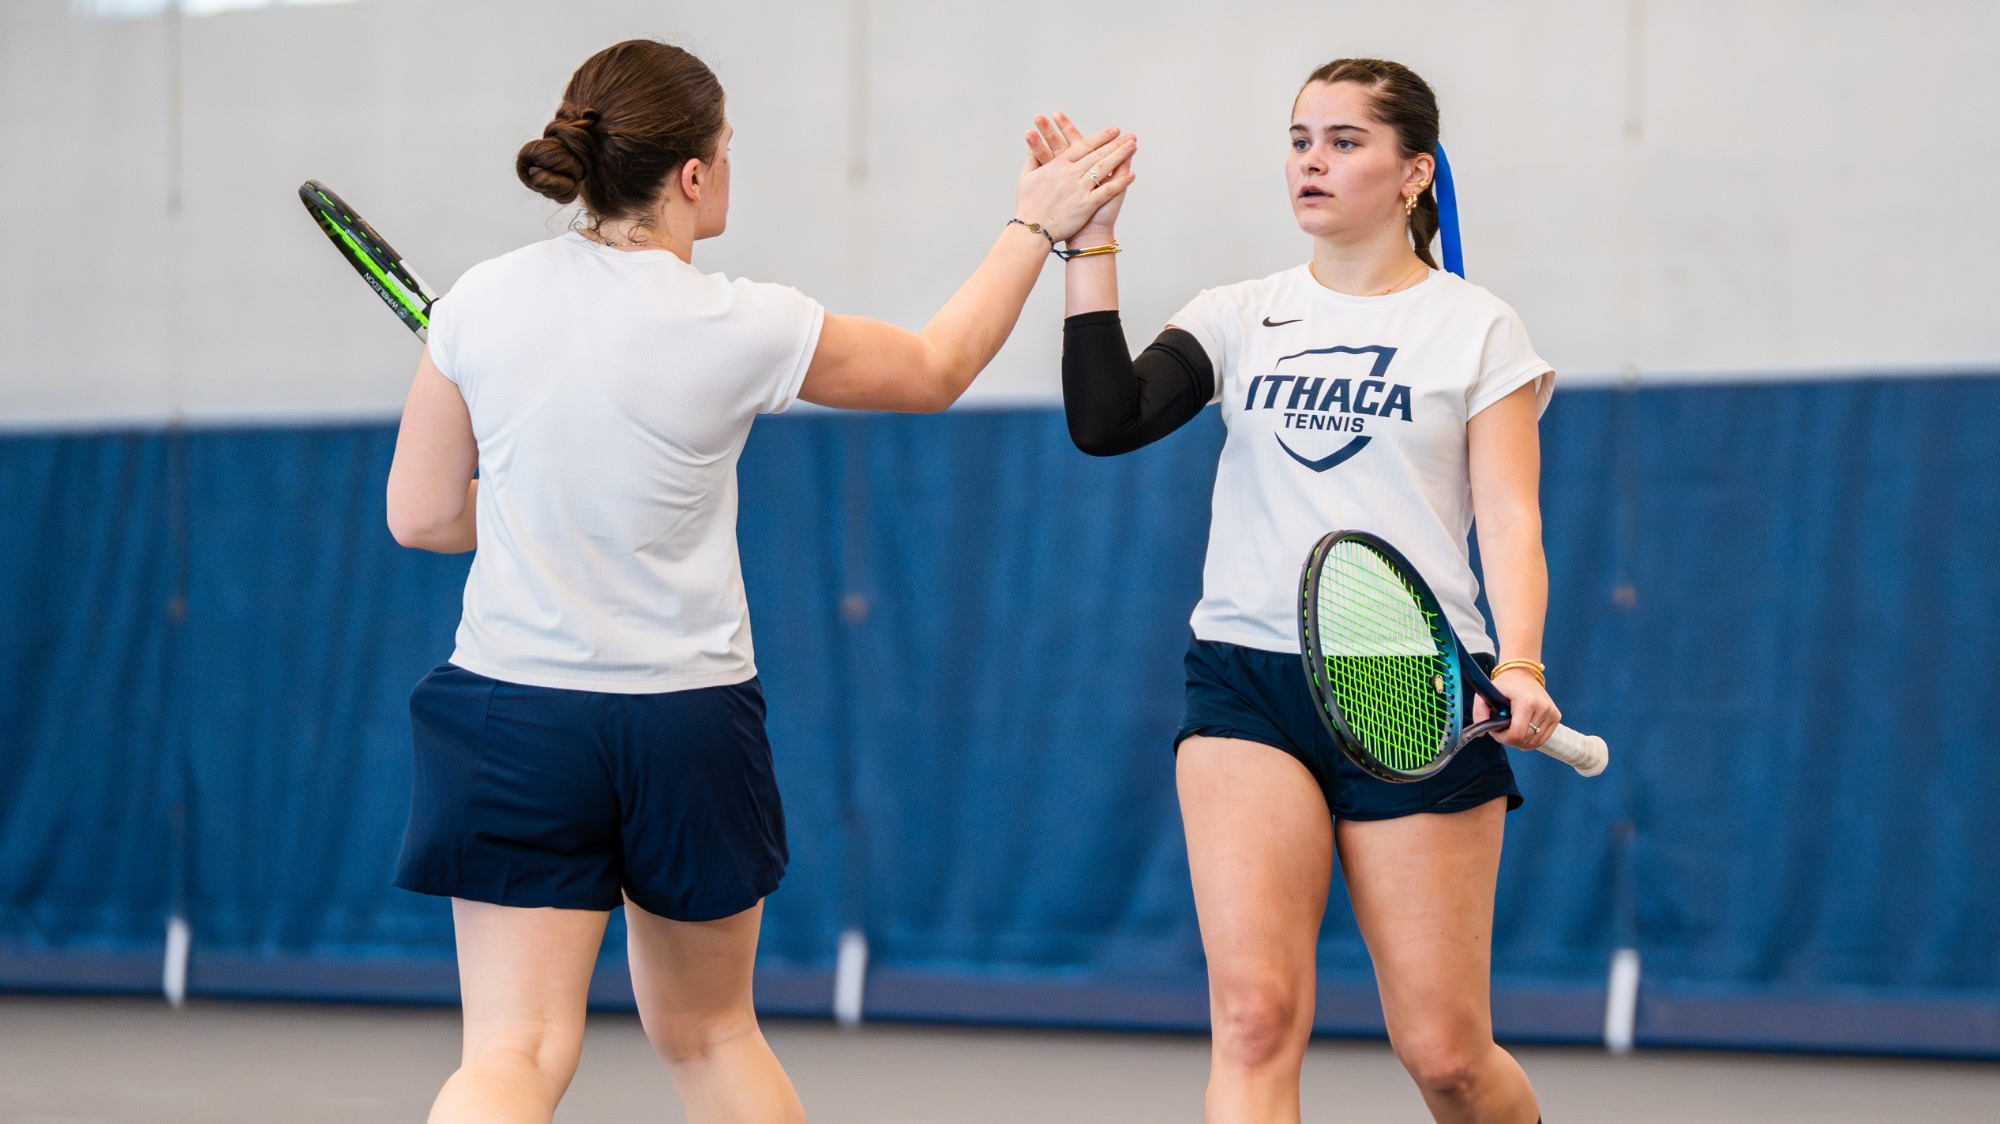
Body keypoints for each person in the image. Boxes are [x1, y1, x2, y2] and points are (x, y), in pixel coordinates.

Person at [384, 38, 1134, 1124]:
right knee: (712, 1036)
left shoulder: (477, 304)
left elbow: (421, 517)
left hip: (513, 718)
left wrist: (511, 509)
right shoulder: (744, 321)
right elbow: (935, 369)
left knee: (513, 1051)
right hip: (686, 723)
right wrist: (1033, 225)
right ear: (693, 173)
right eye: (728, 148)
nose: (731, 166)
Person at [1042, 58, 1555, 1124]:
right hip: (1246, 681)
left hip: (1413, 684)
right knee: (1253, 1021)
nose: (1311, 162)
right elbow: (1105, 421)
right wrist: (1087, 244)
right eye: (1298, 140)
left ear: (1414, 172)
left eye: (1344, 141)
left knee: (1448, 1058)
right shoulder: (1238, 313)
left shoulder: (1478, 329)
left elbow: (1510, 518)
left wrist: (1519, 661)